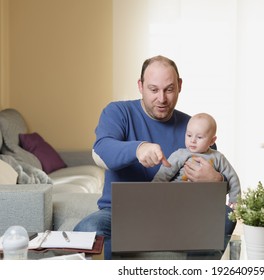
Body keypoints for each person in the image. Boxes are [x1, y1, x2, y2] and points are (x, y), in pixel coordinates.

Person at [74, 55, 237, 259]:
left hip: (179, 215)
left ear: (179, 86)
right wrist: (138, 149)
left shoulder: (194, 128)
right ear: (140, 86)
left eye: (169, 89)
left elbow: (218, 181)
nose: (161, 98)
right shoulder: (118, 112)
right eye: (153, 89)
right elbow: (101, 149)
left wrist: (217, 181)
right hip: (120, 214)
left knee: (227, 216)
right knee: (88, 227)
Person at [153, 112, 240, 207]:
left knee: (226, 218)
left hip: (205, 203)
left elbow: (232, 178)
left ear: (212, 141)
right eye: (189, 135)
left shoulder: (217, 157)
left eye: (199, 137)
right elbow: (163, 174)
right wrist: (151, 192)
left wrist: (235, 199)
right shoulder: (180, 154)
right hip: (177, 199)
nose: (193, 140)